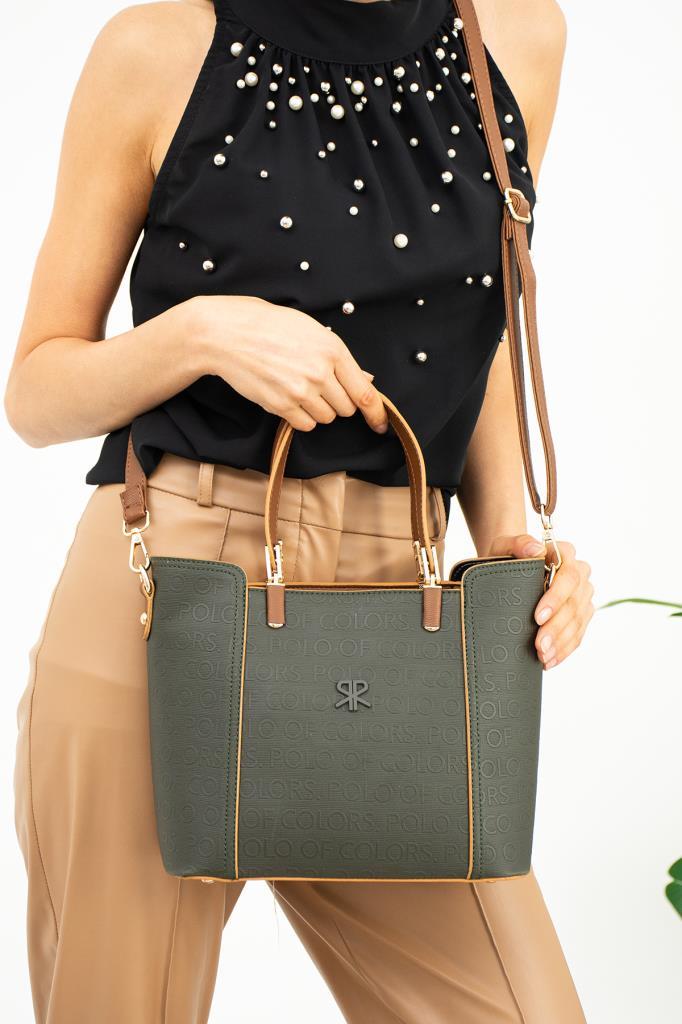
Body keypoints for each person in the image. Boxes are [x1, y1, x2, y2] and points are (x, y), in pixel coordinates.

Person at [5, 0, 594, 1020]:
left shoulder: (514, 39)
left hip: (401, 607)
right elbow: (35, 392)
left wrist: (509, 541)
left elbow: (481, 329)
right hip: (168, 593)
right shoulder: (160, 48)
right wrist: (201, 334)